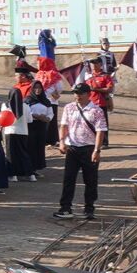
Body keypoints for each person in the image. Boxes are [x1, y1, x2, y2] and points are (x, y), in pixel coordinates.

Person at [56, 82, 107, 220]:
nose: (77, 96)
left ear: (88, 94)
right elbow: (64, 125)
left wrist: (97, 150)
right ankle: (65, 207)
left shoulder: (96, 111)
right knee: (69, 179)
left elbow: (100, 132)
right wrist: (62, 141)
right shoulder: (69, 108)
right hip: (72, 147)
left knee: (90, 180)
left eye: (80, 93)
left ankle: (89, 208)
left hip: (89, 148)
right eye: (75, 93)